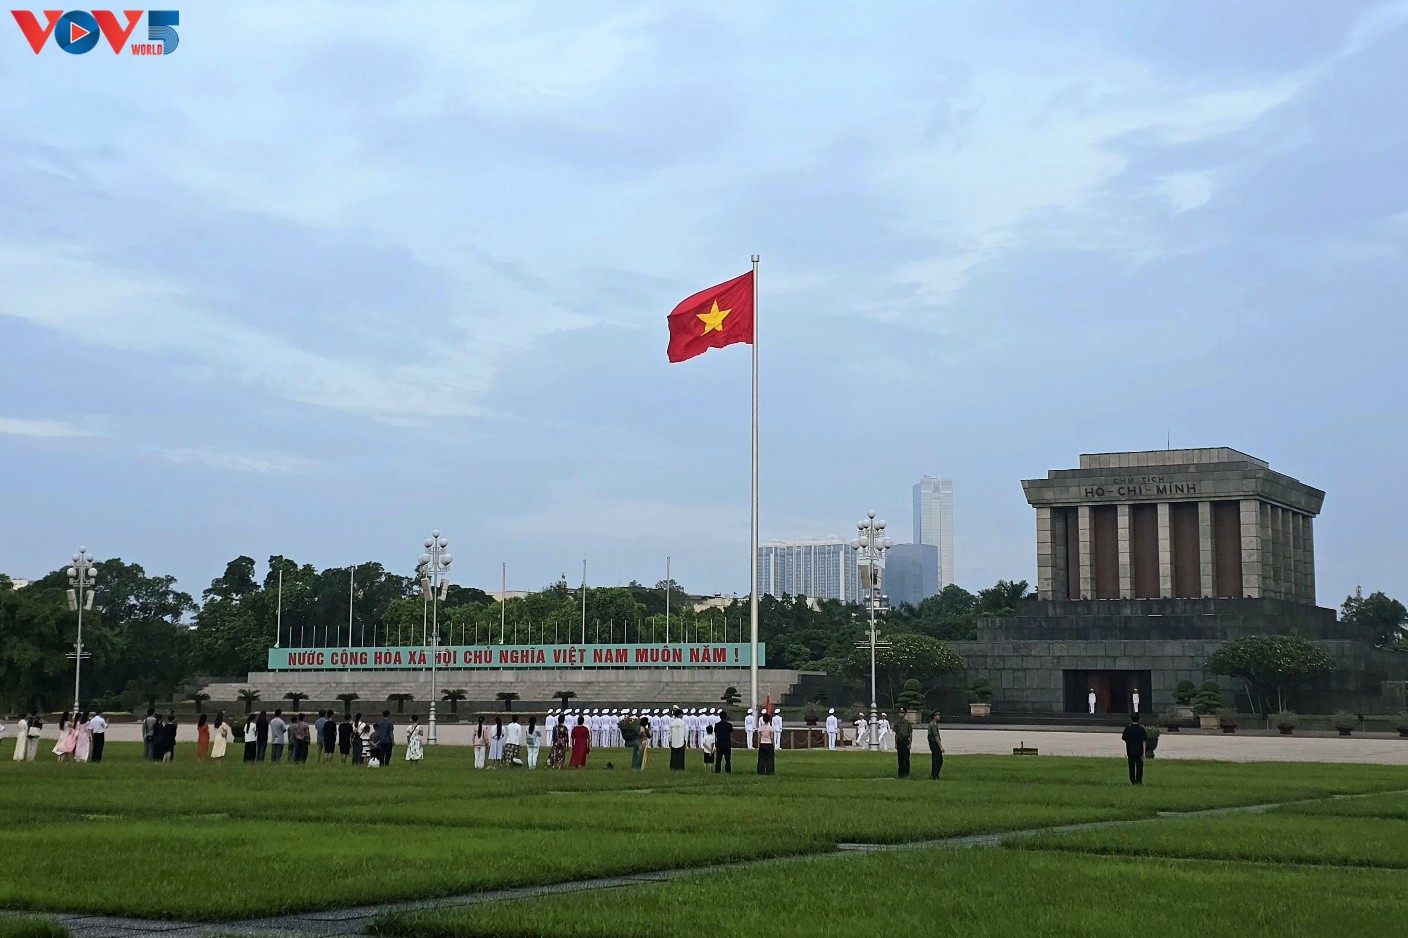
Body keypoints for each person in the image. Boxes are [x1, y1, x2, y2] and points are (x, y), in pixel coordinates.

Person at [1121, 712, 1148, 785]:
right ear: (1139, 719)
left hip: (1130, 750)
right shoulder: (1141, 729)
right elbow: (1144, 741)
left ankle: (1133, 780)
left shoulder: (1128, 729)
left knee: (1131, 766)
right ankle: (1139, 780)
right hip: (1139, 751)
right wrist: (1144, 753)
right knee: (1139, 767)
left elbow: (1124, 738)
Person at [893, 709, 912, 778]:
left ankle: (906, 773)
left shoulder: (908, 723)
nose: (900, 714)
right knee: (900, 758)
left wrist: (910, 744)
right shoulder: (897, 723)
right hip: (899, 741)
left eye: (902, 713)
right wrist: (896, 743)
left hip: (905, 740)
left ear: (905, 714)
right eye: (900, 713)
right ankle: (900, 773)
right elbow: (896, 734)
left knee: (906, 758)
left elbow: (910, 734)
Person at [756, 711, 775, 775]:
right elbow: (772, 737)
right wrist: (772, 744)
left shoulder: (760, 728)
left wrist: (759, 745)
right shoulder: (770, 728)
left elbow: (759, 738)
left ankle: (761, 771)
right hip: (769, 744)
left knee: (761, 759)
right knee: (769, 759)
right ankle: (769, 771)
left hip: (762, 743)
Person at [714, 710, 733, 774]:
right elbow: (731, 731)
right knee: (727, 758)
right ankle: (728, 770)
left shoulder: (717, 725)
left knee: (719, 758)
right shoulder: (729, 725)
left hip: (719, 743)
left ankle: (717, 770)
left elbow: (716, 732)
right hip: (727, 743)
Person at [927, 710, 944, 780]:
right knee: (937, 760)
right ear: (934, 717)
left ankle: (934, 774)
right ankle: (935, 775)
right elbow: (936, 736)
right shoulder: (932, 725)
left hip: (933, 743)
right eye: (937, 715)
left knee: (937, 759)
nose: (939, 716)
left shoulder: (934, 724)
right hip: (934, 743)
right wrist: (941, 747)